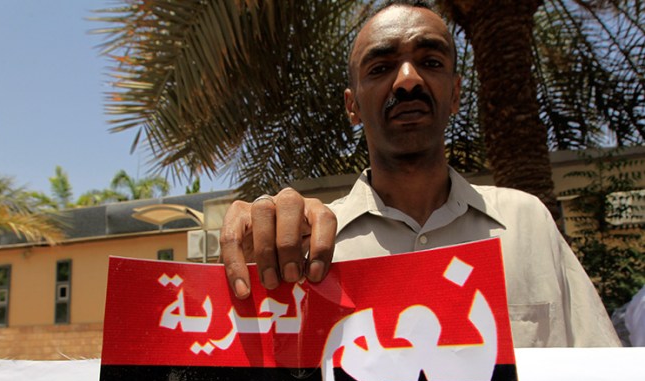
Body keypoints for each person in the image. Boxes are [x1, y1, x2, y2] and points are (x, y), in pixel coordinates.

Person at [220, 0, 620, 347]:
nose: (408, 80)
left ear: (456, 93)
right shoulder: (308, 245)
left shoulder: (525, 222)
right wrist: (258, 267)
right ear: (352, 107)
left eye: (430, 62)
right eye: (380, 68)